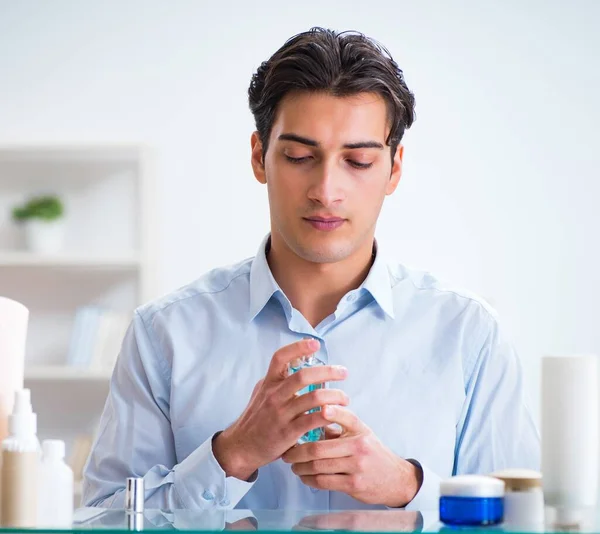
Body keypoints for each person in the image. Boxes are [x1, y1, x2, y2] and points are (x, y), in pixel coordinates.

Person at [82, 27, 539, 511]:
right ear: (260, 157)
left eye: (358, 161)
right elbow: (102, 518)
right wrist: (231, 454)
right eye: (300, 156)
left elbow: (521, 519)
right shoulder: (163, 334)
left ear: (394, 170)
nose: (326, 189)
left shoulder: (469, 334)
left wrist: (407, 487)